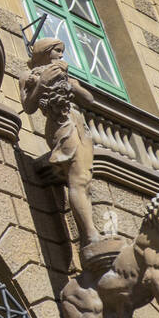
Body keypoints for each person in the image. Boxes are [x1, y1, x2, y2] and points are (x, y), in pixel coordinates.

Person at [22, 38, 97, 248]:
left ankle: (89, 229)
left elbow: (89, 100)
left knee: (85, 179)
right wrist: (43, 82)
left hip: (79, 124)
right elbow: (28, 106)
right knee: (78, 178)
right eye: (57, 51)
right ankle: (90, 234)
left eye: (62, 51)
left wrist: (72, 86)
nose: (61, 55)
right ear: (44, 52)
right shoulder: (29, 75)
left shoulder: (66, 75)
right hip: (59, 124)